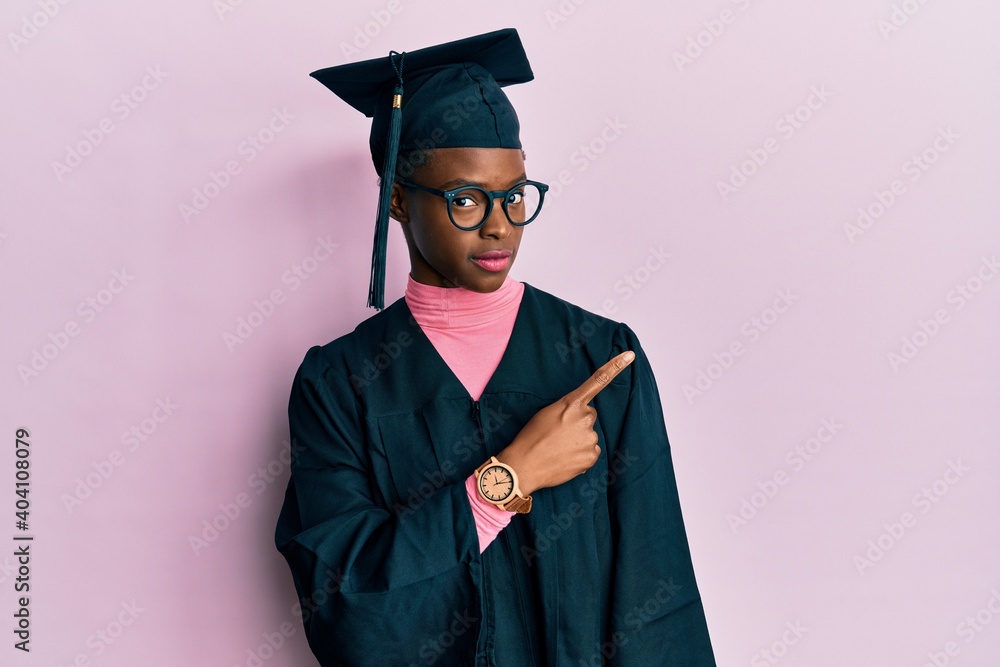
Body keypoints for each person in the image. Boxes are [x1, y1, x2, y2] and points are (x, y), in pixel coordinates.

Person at [274, 28, 716, 666]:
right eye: (465, 200)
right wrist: (505, 483)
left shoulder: (601, 355)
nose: (499, 224)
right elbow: (345, 606)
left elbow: (656, 590)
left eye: (513, 196)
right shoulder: (341, 383)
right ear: (398, 200)